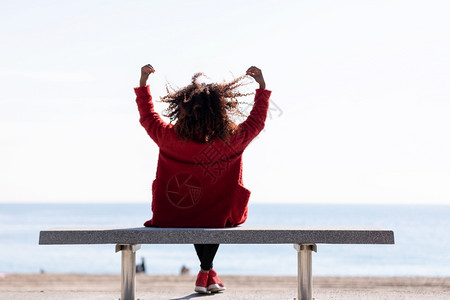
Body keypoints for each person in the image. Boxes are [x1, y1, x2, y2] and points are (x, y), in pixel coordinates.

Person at [134, 64, 271, 293]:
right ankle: (205, 272)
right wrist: (261, 87)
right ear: (219, 110)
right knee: (212, 215)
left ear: (183, 109)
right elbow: (256, 122)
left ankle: (207, 273)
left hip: (177, 213)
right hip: (221, 215)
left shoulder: (169, 138)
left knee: (199, 214)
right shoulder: (231, 140)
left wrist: (143, 83)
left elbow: (148, 117)